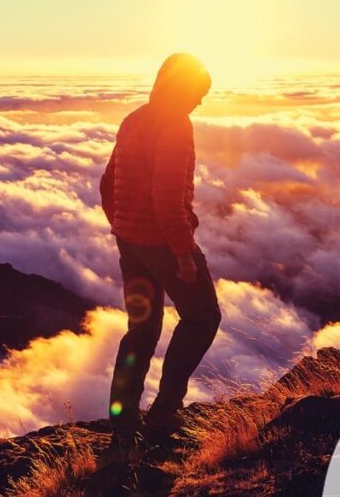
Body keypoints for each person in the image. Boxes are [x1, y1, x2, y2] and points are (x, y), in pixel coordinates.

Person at [99, 53, 222, 453]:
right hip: (162, 242)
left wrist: (122, 225)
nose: (200, 102)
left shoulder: (134, 119)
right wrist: (183, 254)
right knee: (202, 317)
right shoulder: (174, 123)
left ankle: (122, 420)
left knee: (143, 329)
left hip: (130, 241)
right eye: (198, 93)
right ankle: (166, 410)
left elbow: (107, 184)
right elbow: (167, 198)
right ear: (182, 87)